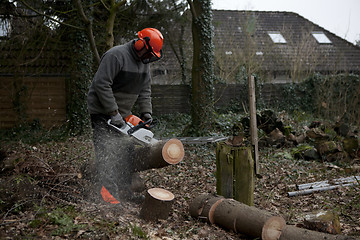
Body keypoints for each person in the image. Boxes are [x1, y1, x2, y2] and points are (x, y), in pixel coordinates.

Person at [87, 28, 164, 204]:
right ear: (140, 43)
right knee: (106, 154)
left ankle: (125, 192)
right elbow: (101, 84)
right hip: (101, 112)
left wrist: (146, 113)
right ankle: (108, 198)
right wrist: (113, 113)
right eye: (148, 53)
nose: (149, 57)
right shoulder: (115, 56)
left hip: (123, 114)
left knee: (127, 153)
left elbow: (145, 90)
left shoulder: (144, 63)